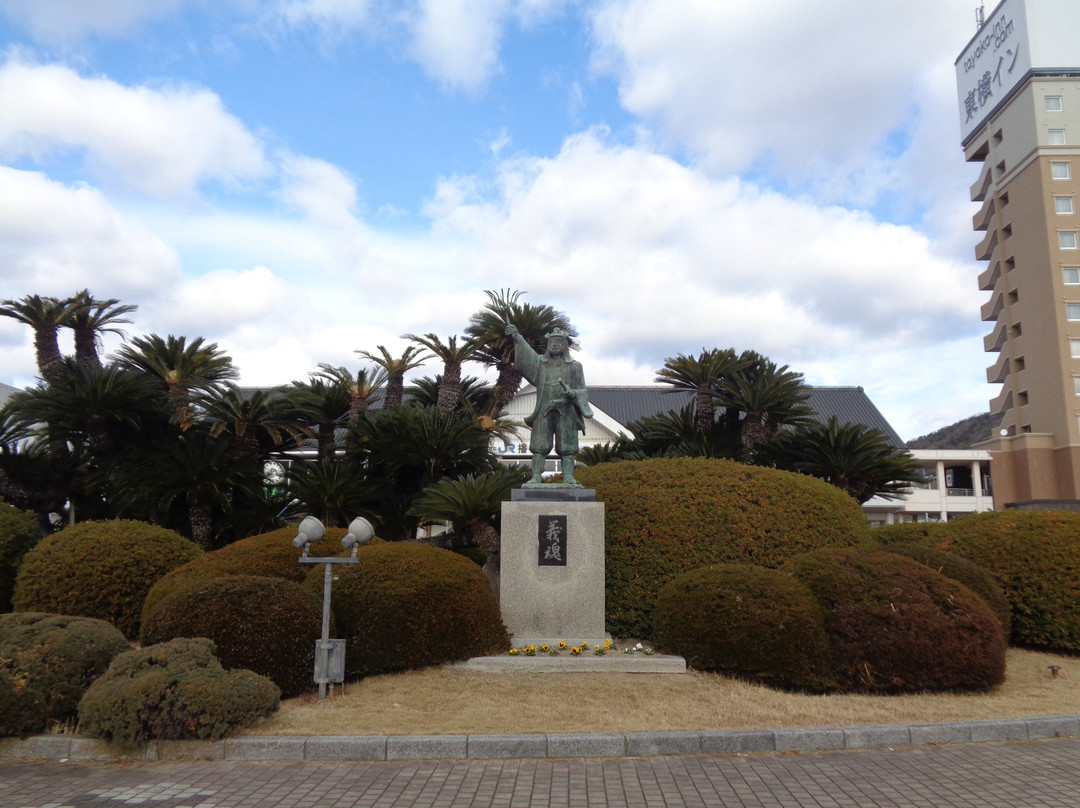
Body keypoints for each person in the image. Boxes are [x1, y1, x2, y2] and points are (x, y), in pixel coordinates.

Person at [506, 324, 593, 487]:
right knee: (539, 445)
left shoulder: (575, 366)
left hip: (566, 410)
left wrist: (573, 394)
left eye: (558, 342)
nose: (554, 344)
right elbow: (527, 356)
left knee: (567, 446)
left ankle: (568, 477)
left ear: (565, 345)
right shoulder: (541, 364)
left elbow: (582, 390)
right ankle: (536, 477)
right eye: (551, 342)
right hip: (543, 409)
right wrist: (517, 336)